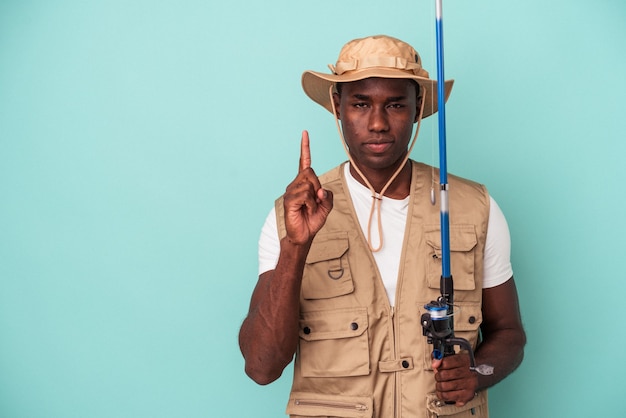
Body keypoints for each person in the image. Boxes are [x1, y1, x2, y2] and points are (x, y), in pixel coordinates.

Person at [239, 34, 526, 418]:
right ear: (336, 106)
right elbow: (261, 366)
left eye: (395, 105)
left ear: (417, 108)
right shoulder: (291, 216)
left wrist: (477, 371)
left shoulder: (474, 208)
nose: (377, 123)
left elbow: (509, 335)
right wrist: (296, 246)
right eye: (360, 104)